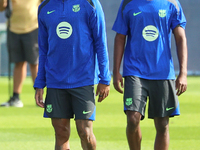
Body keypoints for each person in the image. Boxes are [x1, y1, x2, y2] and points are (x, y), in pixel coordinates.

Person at [34, 0, 111, 150]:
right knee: (61, 133)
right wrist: (40, 83)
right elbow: (43, 49)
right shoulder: (44, 7)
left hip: (84, 79)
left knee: (85, 132)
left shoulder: (90, 3)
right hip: (55, 81)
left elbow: (100, 42)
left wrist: (105, 78)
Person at [112, 0, 188, 149]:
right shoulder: (128, 3)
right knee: (133, 119)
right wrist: (116, 72)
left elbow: (180, 38)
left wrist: (183, 73)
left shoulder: (172, 3)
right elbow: (120, 37)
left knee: (162, 124)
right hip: (135, 71)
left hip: (163, 72)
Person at [0, 0, 43, 107]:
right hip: (13, 28)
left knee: (34, 63)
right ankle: (16, 97)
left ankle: (39, 97)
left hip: (33, 27)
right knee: (18, 63)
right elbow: (2, 8)